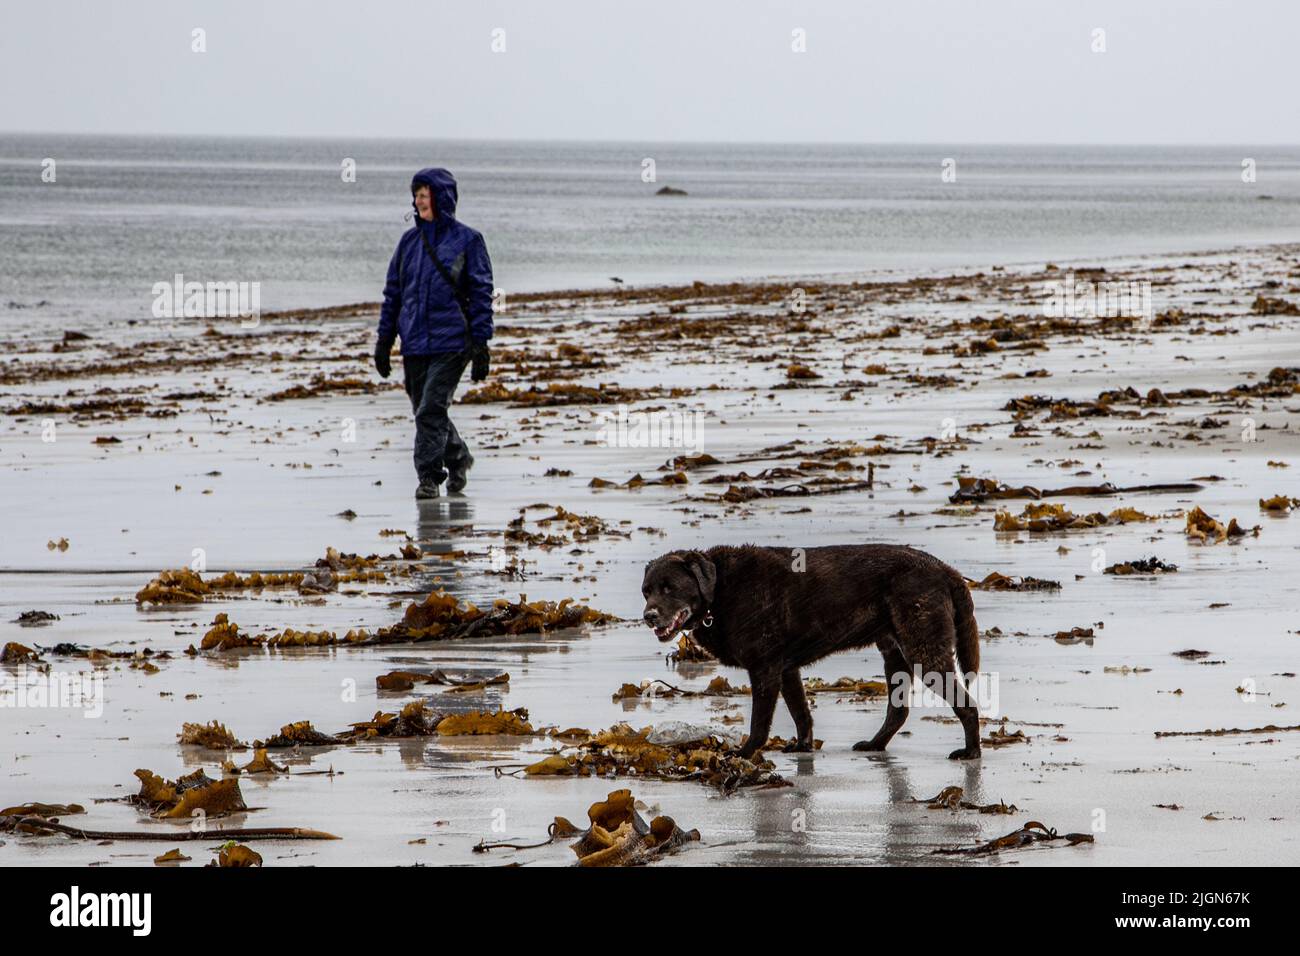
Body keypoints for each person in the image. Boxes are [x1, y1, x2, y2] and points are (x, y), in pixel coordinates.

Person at [375, 167, 494, 499]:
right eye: (416, 195)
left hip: (454, 341)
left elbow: (482, 293)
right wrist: (384, 341)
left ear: (442, 198)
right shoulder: (409, 242)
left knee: (430, 409)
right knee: (427, 411)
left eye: (425, 194)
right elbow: (393, 295)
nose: (418, 200)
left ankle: (428, 478)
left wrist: (482, 345)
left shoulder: (468, 240)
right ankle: (458, 457)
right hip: (414, 342)